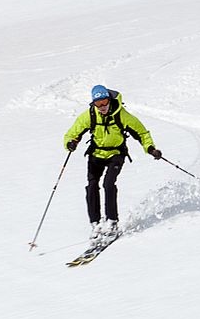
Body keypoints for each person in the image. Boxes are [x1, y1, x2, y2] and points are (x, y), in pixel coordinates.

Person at [63, 85, 161, 245]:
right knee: (92, 185)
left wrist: (150, 148)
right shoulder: (89, 115)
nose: (102, 107)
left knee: (108, 184)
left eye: (104, 102)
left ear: (109, 100)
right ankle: (95, 225)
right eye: (98, 103)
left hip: (116, 154)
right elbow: (71, 134)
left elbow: (142, 133)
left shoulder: (121, 115)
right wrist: (70, 143)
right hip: (96, 155)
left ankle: (112, 222)